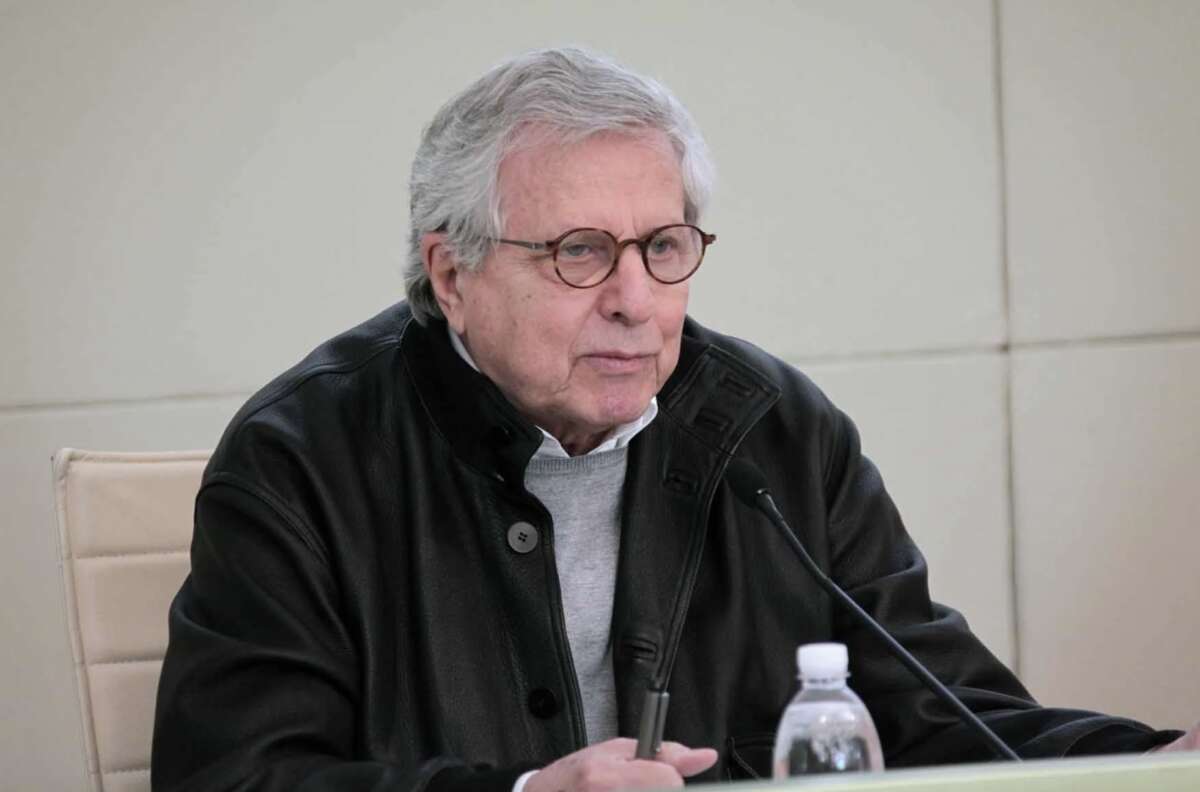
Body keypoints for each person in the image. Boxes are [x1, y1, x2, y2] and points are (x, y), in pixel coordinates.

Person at [151, 47, 1197, 792]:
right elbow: (233, 775)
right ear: (452, 274)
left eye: (662, 247)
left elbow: (939, 715)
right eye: (578, 252)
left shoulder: (774, 431)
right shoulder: (300, 460)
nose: (635, 300)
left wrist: (1152, 762)